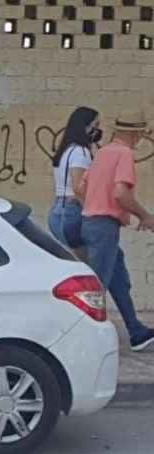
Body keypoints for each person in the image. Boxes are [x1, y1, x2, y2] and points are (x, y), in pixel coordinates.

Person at [80, 109, 154, 352]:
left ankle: (136, 332)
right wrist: (144, 216)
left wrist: (95, 204)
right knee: (94, 288)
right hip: (103, 226)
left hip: (94, 223)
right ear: (137, 134)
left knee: (119, 281)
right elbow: (121, 193)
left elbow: (82, 187)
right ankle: (84, 341)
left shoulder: (102, 153)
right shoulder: (124, 154)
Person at [48, 107, 102, 251]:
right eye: (95, 126)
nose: (97, 131)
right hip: (73, 211)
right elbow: (78, 188)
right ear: (84, 126)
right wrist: (93, 213)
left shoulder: (66, 150)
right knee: (88, 263)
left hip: (58, 210)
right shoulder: (80, 152)